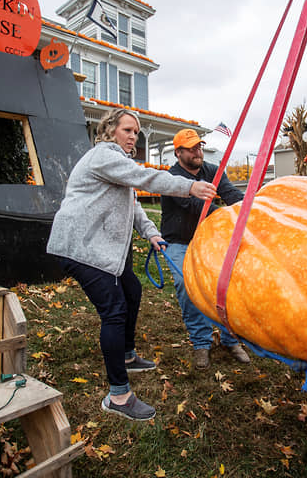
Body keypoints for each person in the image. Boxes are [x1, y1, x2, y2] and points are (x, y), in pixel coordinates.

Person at [47, 109, 217, 421]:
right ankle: (118, 396)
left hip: (97, 247)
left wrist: (152, 233)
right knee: (114, 311)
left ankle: (125, 355)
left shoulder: (118, 165)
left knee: (132, 290)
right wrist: (187, 186)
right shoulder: (102, 156)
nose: (133, 137)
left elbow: (134, 203)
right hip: (80, 246)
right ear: (110, 131)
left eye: (136, 132)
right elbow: (145, 178)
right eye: (127, 130)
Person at [160, 129, 251, 369]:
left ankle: (231, 339)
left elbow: (231, 194)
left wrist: (249, 208)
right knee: (186, 285)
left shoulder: (212, 170)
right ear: (178, 152)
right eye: (191, 148)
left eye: (199, 146)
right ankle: (202, 342)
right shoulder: (173, 177)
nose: (197, 151)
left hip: (209, 238)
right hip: (179, 241)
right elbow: (196, 207)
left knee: (228, 284)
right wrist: (227, 215)